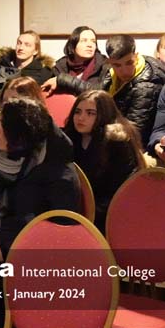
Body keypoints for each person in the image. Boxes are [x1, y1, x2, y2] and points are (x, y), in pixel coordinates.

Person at [0, 97, 80, 255]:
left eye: (3, 124)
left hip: (24, 254)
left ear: (20, 132)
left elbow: (57, 230)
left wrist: (3, 250)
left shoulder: (58, 171)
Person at [47, 35, 165, 146]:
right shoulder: (112, 72)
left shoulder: (146, 86)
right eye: (117, 65)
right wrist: (62, 79)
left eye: (129, 63)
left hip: (133, 146)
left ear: (136, 56)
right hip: (115, 136)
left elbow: (133, 131)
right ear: (110, 62)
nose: (124, 70)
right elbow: (98, 92)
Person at [63, 90, 143, 231]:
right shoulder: (69, 138)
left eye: (90, 113)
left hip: (111, 213)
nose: (81, 118)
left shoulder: (117, 141)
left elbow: (119, 190)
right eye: (77, 112)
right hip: (77, 208)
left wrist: (88, 214)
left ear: (103, 115)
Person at [44, 25, 109, 93]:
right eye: (84, 41)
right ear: (73, 44)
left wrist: (64, 79)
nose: (90, 45)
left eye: (93, 41)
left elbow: (99, 92)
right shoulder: (60, 67)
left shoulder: (104, 66)